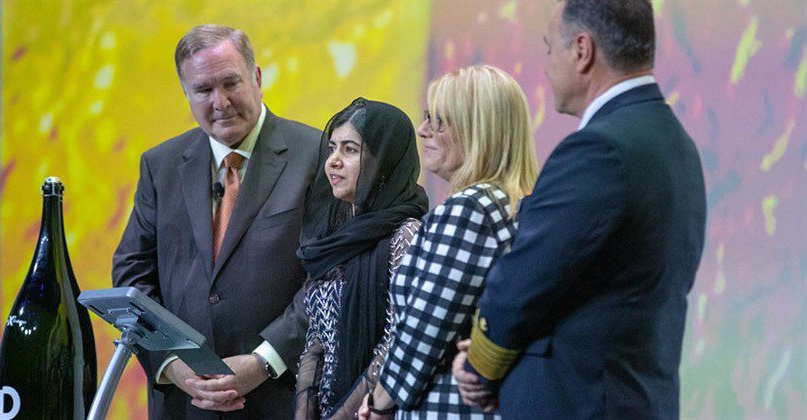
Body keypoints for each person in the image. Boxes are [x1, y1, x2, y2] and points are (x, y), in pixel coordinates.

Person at [454, 1, 707, 418]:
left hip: (580, 402)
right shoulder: (675, 143)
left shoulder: (598, 149)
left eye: (550, 48)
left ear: (582, 50)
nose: (548, 63)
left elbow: (525, 279)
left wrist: (480, 367)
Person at [112, 24, 321, 419]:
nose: (221, 102)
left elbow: (328, 277)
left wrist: (263, 361)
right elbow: (131, 274)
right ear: (186, 95)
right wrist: (171, 365)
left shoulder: (316, 156)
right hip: (184, 404)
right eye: (204, 90)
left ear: (257, 78)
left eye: (231, 83)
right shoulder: (160, 165)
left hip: (281, 398)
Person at [358, 65, 539, 419]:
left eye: (438, 121)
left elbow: (423, 333)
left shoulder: (469, 210)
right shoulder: (515, 204)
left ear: (478, 130)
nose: (423, 131)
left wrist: (379, 403)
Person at [294, 98, 428, 419]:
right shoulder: (333, 235)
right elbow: (317, 336)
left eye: (350, 150)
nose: (334, 162)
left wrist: (343, 415)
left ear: (383, 162)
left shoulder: (406, 234)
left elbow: (396, 341)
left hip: (375, 411)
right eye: (332, 149)